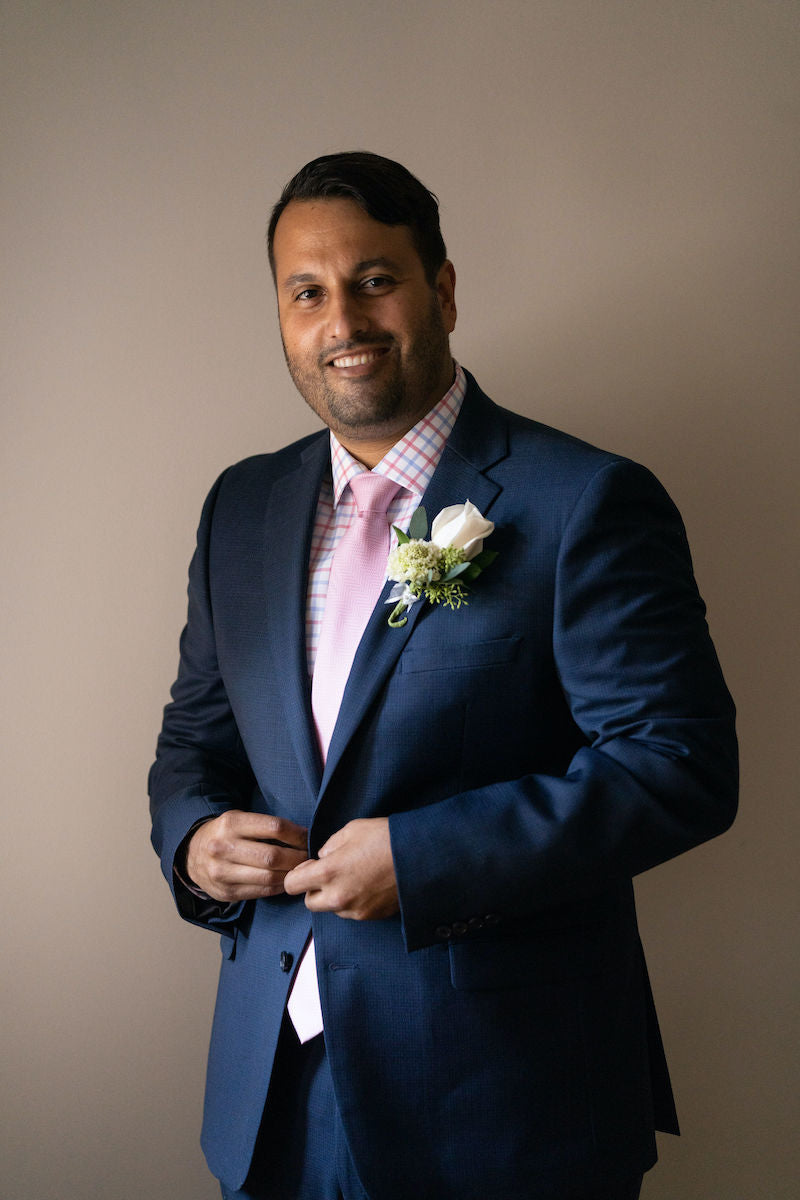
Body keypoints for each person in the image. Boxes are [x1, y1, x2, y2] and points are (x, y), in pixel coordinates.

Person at [149, 151, 737, 1200]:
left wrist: (425, 861)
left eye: (374, 279)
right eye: (306, 292)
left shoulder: (583, 498)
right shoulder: (239, 506)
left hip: (506, 1106)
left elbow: (677, 765)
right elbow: (193, 744)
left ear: (443, 290)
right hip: (271, 1093)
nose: (343, 321)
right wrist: (194, 842)